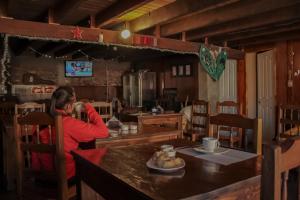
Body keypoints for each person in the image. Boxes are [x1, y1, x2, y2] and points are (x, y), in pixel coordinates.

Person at [32, 86, 109, 184]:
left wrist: (37, 177)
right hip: (64, 180)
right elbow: (104, 131)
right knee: (96, 164)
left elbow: (35, 156)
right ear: (68, 106)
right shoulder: (68, 123)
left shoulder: (39, 121)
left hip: (42, 179)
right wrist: (89, 108)